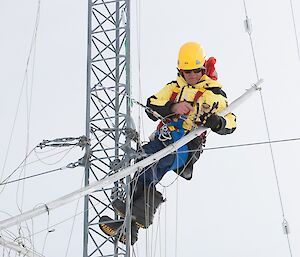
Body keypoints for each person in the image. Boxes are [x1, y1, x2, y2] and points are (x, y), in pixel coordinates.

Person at [113, 42, 237, 231]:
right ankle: (130, 226)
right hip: (165, 137)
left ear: (203, 68)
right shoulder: (174, 88)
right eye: (188, 72)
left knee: (162, 159)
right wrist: (172, 107)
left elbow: (231, 121)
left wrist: (217, 122)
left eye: (197, 70)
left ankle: (140, 214)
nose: (193, 75)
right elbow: (151, 105)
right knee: (142, 162)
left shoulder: (213, 93)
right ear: (181, 71)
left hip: (187, 144)